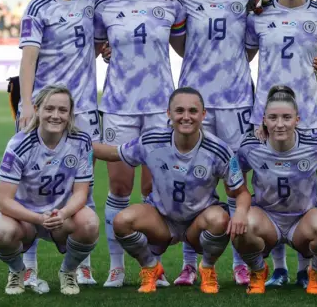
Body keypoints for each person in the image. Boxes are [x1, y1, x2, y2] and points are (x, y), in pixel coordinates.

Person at [175, 0, 317, 287]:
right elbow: (180, 39)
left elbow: (253, 52)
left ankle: (249, 263)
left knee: (252, 184)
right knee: (195, 179)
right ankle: (189, 262)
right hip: (202, 103)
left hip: (243, 105)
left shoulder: (250, 0)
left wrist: (312, 63)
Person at [91, 87, 249, 294]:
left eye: (193, 111)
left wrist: (241, 213)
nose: (186, 117)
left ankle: (207, 268)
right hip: (161, 221)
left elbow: (243, 192)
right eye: (179, 111)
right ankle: (150, 267)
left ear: (203, 115)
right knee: (122, 221)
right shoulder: (152, 141)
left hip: (198, 222)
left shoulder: (220, 150)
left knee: (221, 219)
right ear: (169, 114)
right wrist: (74, 139)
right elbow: (113, 153)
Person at [94, 0, 186, 288]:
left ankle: (154, 266)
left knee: (153, 189)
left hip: (159, 110)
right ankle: (117, 267)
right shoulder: (106, 7)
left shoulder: (170, 5)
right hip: (119, 108)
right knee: (119, 187)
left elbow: (184, 49)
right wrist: (106, 52)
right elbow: (101, 46)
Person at [16, 0, 103, 290]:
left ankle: (79, 264)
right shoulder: (38, 6)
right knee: (33, 186)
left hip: (83, 108)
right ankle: (29, 265)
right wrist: (26, 105)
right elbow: (28, 60)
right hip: (46, 109)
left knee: (84, 185)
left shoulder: (93, 1)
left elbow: (104, 37)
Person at [245, 0, 317, 286]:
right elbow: (245, 55)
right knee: (266, 184)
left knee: (305, 188)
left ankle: (303, 267)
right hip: (265, 115)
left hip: (308, 113)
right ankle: (279, 267)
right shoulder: (260, 14)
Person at [0, 85, 99, 296]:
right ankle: (17, 271)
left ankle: (68, 271)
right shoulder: (18, 144)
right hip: (25, 219)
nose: (55, 115)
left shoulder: (81, 142)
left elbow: (81, 193)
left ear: (70, 114)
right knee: (0, 231)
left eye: (62, 110)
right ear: (37, 110)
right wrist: (38, 219)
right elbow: (4, 201)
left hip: (62, 217)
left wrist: (63, 214)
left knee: (90, 223)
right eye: (49, 109)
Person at [232, 85, 317, 295]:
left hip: (303, 220)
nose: (279, 124)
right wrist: (240, 205)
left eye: (286, 117)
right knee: (241, 227)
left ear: (297, 120)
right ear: (264, 119)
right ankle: (258, 270)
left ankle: (314, 272)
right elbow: (236, 171)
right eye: (273, 117)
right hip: (267, 219)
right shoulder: (250, 145)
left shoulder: (315, 145)